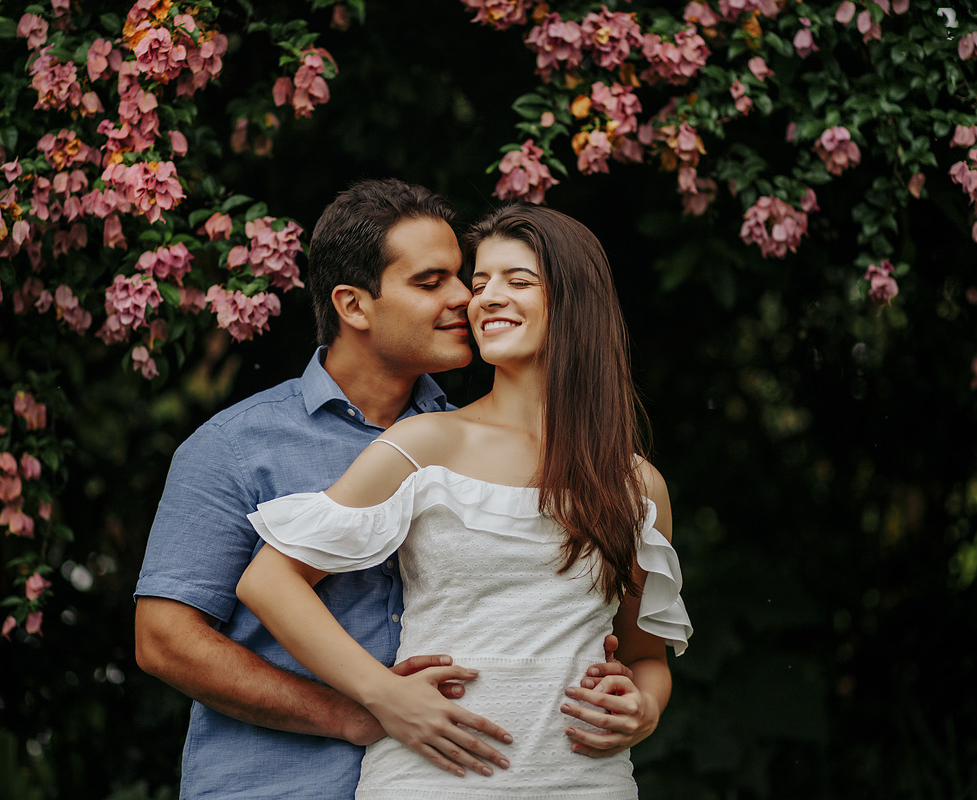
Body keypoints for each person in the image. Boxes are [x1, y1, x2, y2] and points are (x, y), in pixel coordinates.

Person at [134, 181, 631, 799]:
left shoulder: (468, 443)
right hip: (279, 782)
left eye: (464, 280)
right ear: (355, 305)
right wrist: (356, 710)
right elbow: (163, 642)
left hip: (454, 776)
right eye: (432, 282)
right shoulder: (239, 445)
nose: (464, 299)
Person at [237, 203, 694, 798]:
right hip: (433, 778)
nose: (485, 298)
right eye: (481, 284)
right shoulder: (427, 443)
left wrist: (647, 707)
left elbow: (645, 657)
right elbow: (269, 581)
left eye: (518, 281)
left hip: (585, 781)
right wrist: (385, 694)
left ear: (575, 303)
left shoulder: (636, 483)